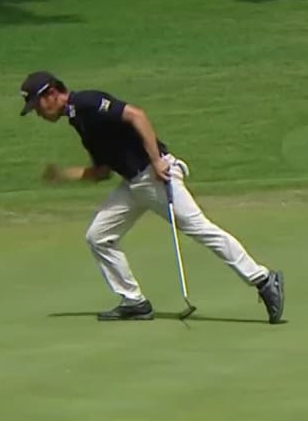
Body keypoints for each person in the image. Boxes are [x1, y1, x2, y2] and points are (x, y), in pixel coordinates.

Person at [18, 71, 284, 323]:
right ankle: (134, 302)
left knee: (201, 229)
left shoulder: (86, 102)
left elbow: (137, 115)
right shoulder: (78, 119)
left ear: (51, 93)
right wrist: (63, 175)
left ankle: (262, 279)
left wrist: (157, 161)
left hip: (155, 176)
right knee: (98, 236)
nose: (39, 114)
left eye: (37, 106)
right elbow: (101, 172)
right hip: (134, 185)